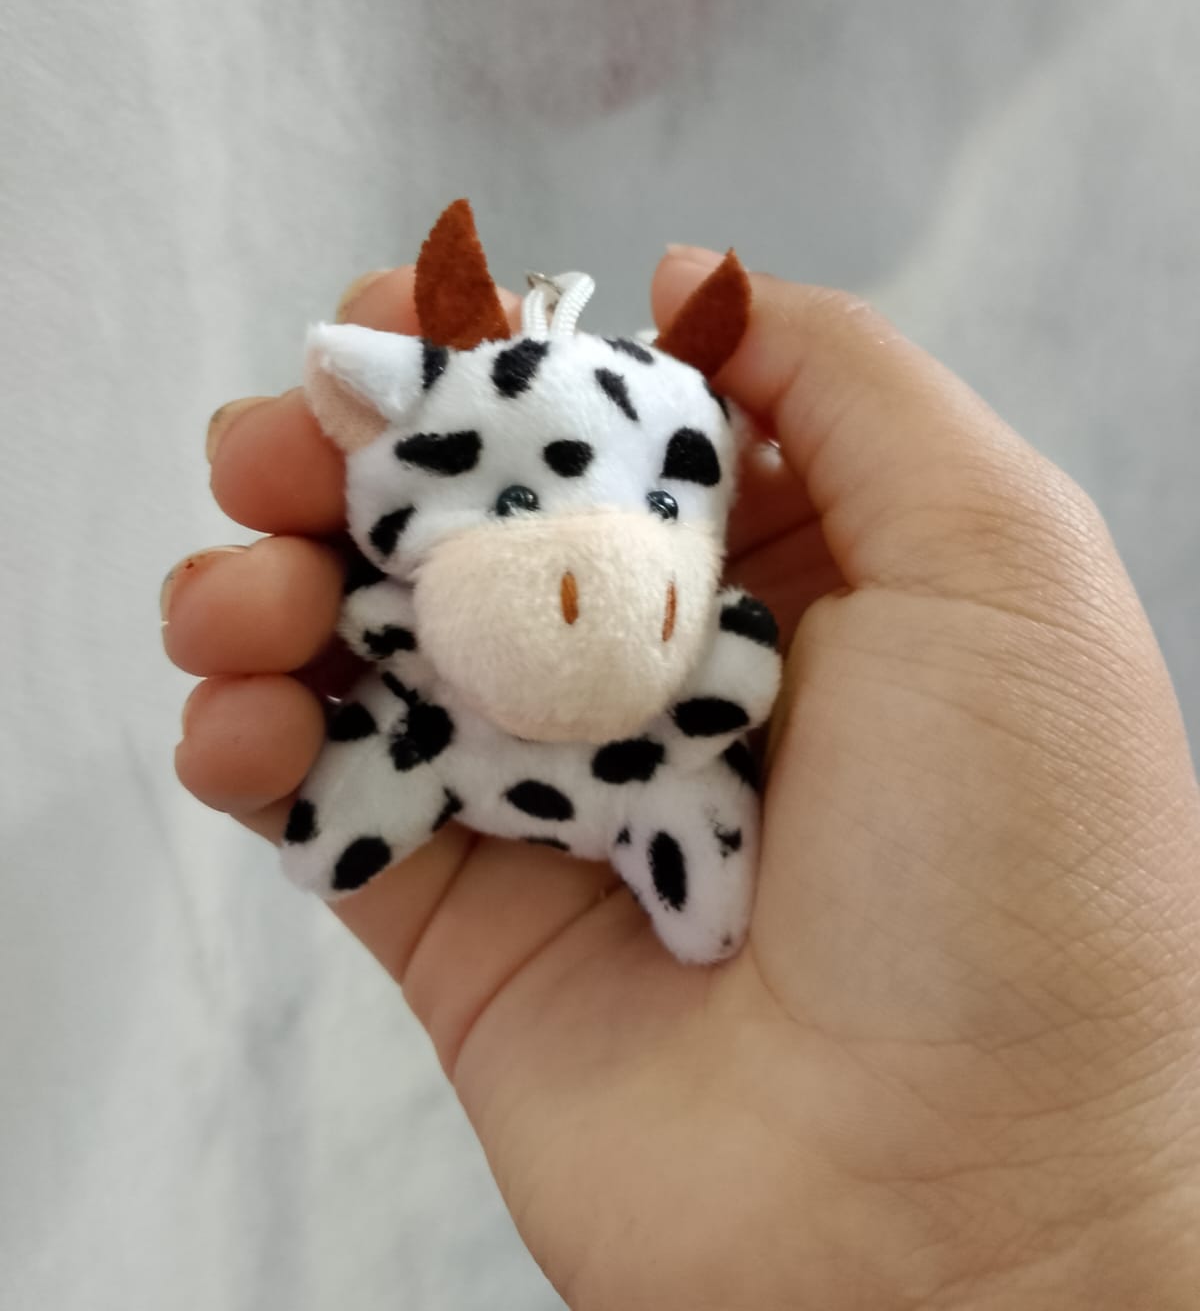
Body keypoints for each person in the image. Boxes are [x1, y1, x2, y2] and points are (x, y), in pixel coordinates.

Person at [162, 249, 1200, 1309]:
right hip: (450, 725)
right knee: (387, 746)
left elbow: (729, 671)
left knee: (683, 816)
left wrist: (1072, 1201)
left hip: (641, 767)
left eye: (664, 501)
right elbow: (379, 625)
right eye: (512, 494)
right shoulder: (408, 637)